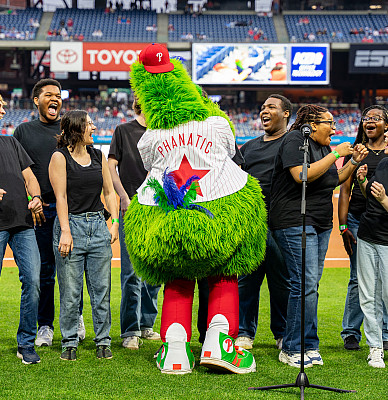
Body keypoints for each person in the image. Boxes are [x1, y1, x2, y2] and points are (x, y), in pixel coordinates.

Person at [125, 43, 267, 375]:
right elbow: (230, 147)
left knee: (176, 278)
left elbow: (148, 161)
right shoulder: (216, 123)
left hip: (167, 217)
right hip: (219, 209)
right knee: (224, 275)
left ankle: (175, 350)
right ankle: (219, 342)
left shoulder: (152, 134)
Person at [269, 104, 368, 368]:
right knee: (303, 283)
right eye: (330, 124)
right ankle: (291, 347)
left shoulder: (322, 147)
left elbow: (333, 178)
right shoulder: (294, 140)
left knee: (310, 285)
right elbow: (302, 174)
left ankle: (309, 344)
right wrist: (336, 152)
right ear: (312, 124)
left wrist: (354, 162)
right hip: (293, 220)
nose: (335, 129)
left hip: (320, 222)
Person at [14, 79, 86, 347]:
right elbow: (17, 171)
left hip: (71, 208)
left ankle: (76, 317)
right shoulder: (23, 131)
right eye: (49, 95)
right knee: (45, 271)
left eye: (58, 95)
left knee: (72, 269)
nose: (55, 99)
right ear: (36, 100)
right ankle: (45, 325)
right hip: (41, 209)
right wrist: (30, 199)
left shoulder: (69, 130)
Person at [0, 87, 43, 365]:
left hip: (23, 223)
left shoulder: (10, 142)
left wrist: (36, 197)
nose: (3, 112)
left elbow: (30, 177)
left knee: (34, 282)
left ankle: (26, 342)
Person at [49, 110, 119, 361]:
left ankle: (103, 341)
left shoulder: (98, 156)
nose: (94, 128)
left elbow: (110, 193)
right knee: (71, 292)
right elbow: (61, 198)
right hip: (72, 227)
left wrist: (114, 223)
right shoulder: (59, 157)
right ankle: (69, 342)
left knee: (102, 291)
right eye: (89, 124)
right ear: (77, 128)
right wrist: (65, 232)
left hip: (98, 226)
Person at [237, 94, 292, 350]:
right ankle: (245, 332)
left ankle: (281, 333)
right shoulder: (249, 147)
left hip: (281, 223)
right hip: (252, 225)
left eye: (271, 107)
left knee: (281, 282)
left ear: (286, 114)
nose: (264, 111)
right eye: (262, 107)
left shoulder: (292, 144)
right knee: (247, 281)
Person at [108, 97, 161, 350]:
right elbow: (111, 166)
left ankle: (147, 323)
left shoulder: (163, 131)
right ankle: (130, 329)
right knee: (131, 272)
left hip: (158, 208)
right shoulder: (123, 131)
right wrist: (124, 197)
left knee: (155, 270)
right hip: (130, 208)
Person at [339, 105, 388, 351]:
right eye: (366, 118)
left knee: (385, 278)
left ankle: (385, 332)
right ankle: (350, 331)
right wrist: (344, 224)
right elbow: (345, 191)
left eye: (376, 118)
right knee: (358, 278)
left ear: (386, 125)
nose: (370, 122)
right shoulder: (356, 152)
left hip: (385, 219)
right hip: (359, 220)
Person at [356, 124, 388, 368]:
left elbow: (383, 199)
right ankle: (375, 347)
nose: (385, 139)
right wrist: (363, 182)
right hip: (368, 235)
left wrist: (384, 199)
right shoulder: (385, 163)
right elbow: (373, 198)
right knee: (368, 297)